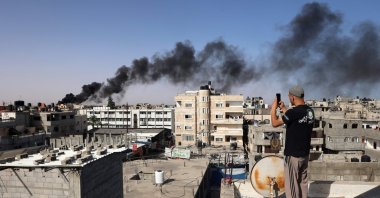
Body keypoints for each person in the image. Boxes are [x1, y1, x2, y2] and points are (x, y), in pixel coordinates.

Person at [270, 85, 314, 198]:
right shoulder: (309, 111)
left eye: (289, 96)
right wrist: (284, 108)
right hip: (304, 155)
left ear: (293, 98)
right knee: (303, 184)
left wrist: (273, 109)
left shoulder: (293, 113)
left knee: (292, 187)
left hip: (293, 156)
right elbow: (295, 120)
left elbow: (275, 123)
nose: (289, 98)